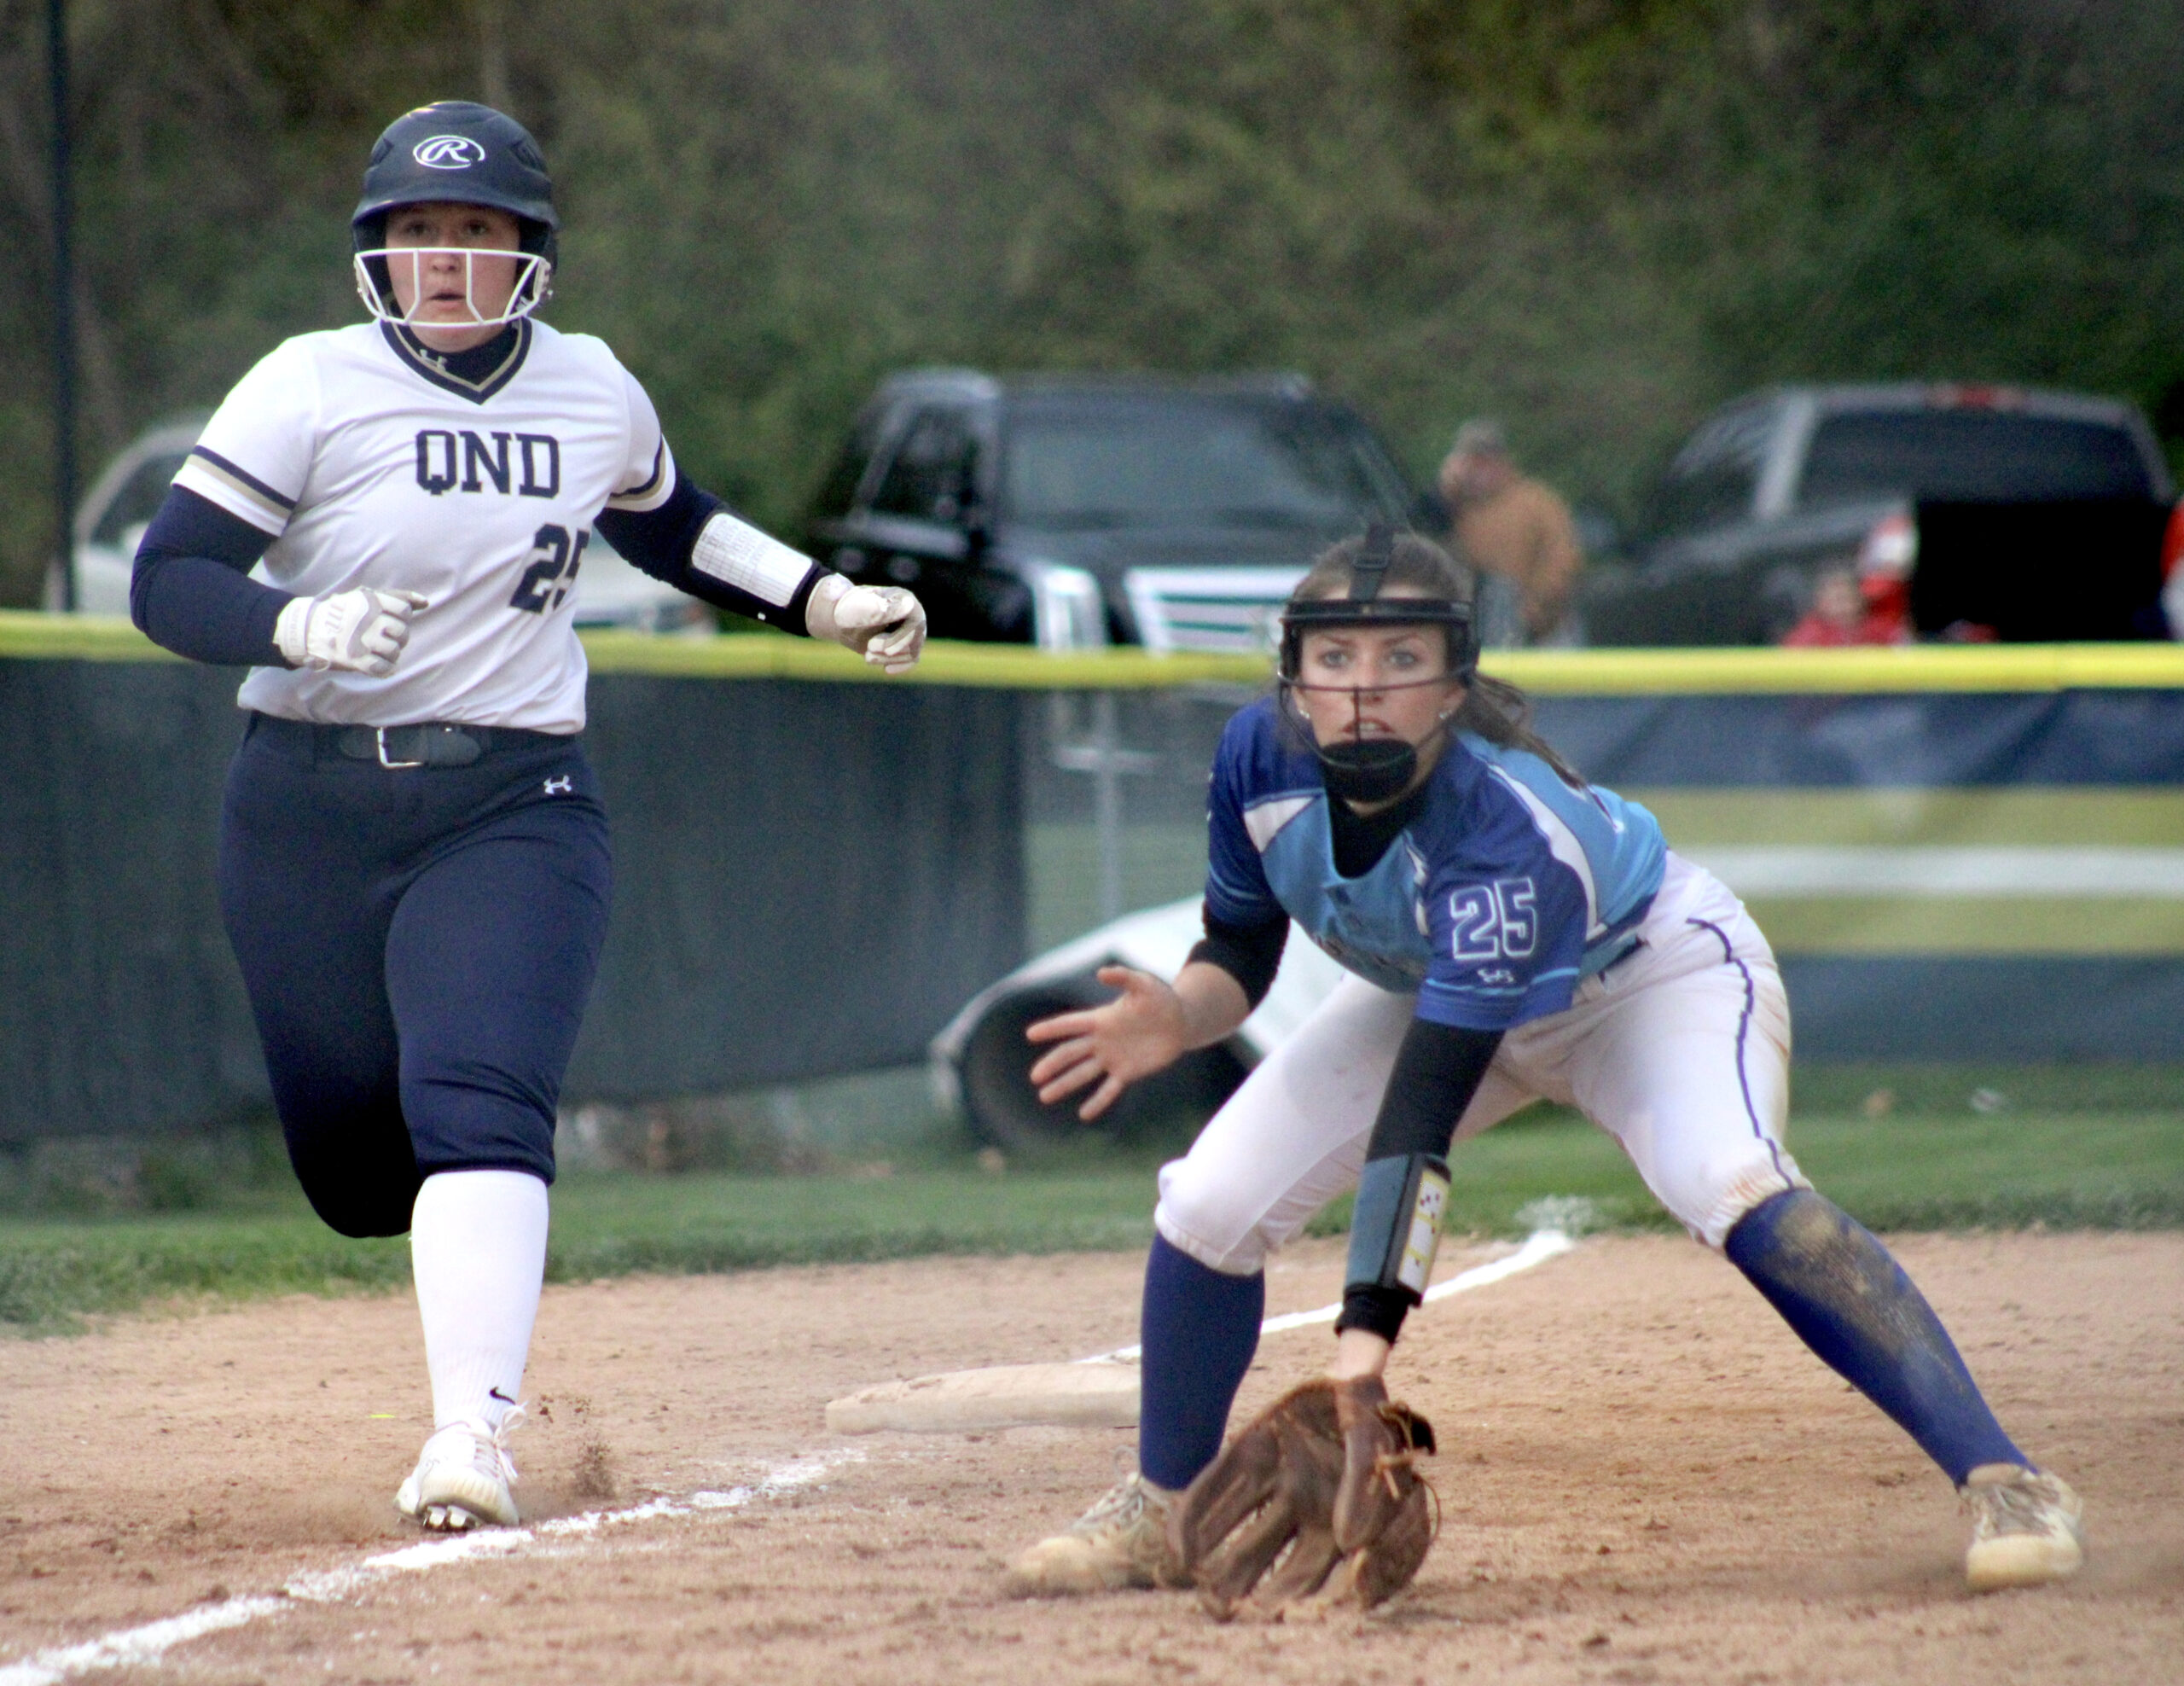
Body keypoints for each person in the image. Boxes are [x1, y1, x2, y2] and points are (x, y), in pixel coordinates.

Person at [1003, 526, 2082, 1602]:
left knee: (1731, 1183)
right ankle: (1160, 1510)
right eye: (1334, 659)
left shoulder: (1501, 824)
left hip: (1645, 980)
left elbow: (1424, 1102)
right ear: (1294, 672)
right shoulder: (1258, 756)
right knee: (1208, 1199)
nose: (1364, 690)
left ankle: (2006, 1477)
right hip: (1429, 985)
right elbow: (1239, 944)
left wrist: (1359, 1353)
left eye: (1400, 659)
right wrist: (1183, 1018)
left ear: (1453, 683)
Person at [128, 101, 926, 1532]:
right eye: (417, 232)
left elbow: (673, 520)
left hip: (513, 798)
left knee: (480, 1105)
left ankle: (468, 1440)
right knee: (360, 1174)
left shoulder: (590, 387)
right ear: (377, 251)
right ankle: (431, 1283)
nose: (445, 259)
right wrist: (296, 619)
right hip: (305, 808)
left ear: (531, 255)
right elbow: (168, 577)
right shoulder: (306, 384)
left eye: (477, 232)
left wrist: (819, 594)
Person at [1436, 419, 1583, 643]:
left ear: (1502, 462)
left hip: (1544, 631)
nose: (1477, 470)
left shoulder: (1537, 502)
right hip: (1482, 625)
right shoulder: (1452, 507)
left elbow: (1563, 558)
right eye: (1470, 461)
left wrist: (1535, 607)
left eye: (1485, 461)